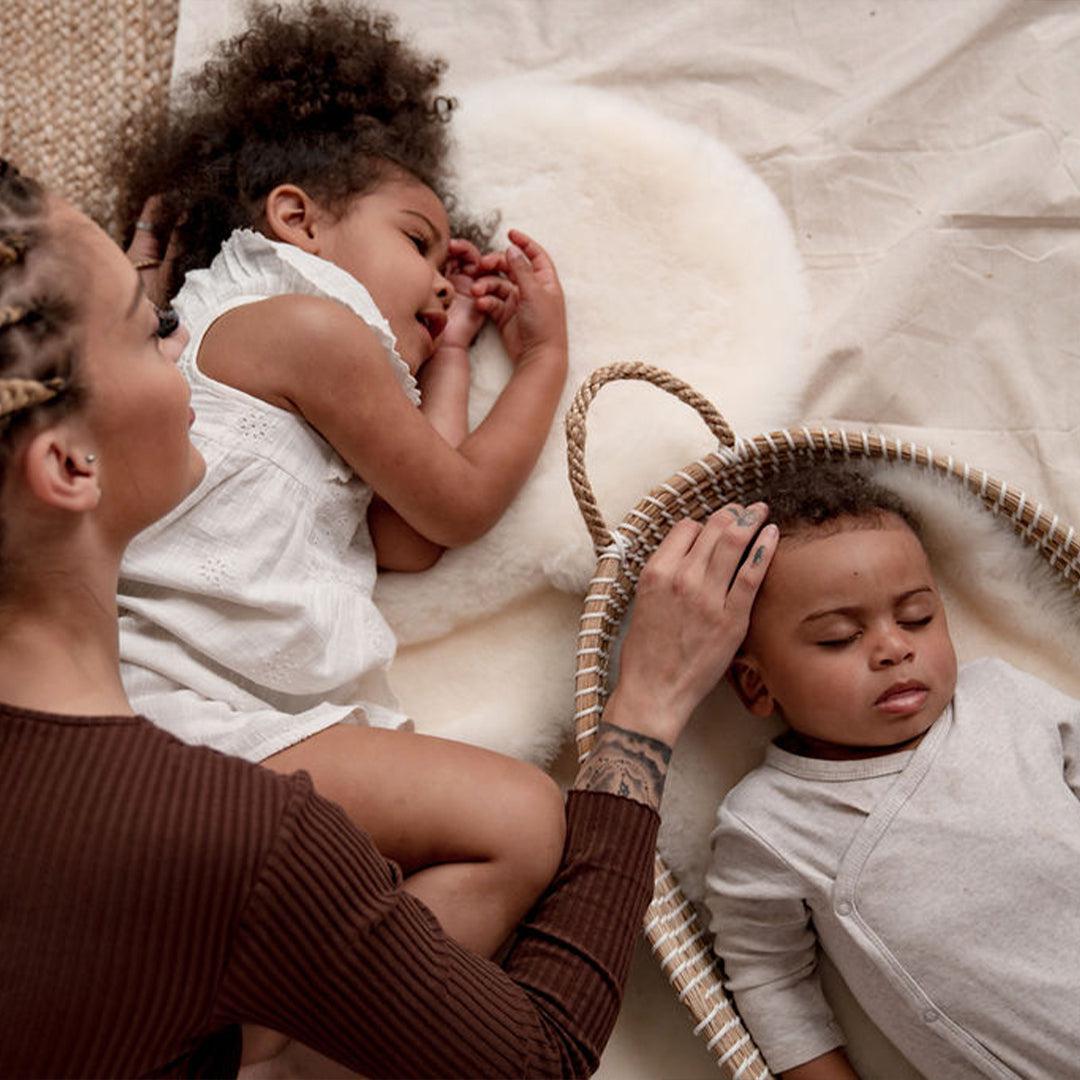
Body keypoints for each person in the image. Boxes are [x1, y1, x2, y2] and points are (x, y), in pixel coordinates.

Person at [0, 159, 778, 1076]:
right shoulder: (245, 842)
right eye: (154, 334)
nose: (188, 351)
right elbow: (539, 1061)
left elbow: (406, 531)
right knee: (526, 818)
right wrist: (645, 709)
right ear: (68, 469)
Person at [111, 0, 572, 969]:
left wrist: (445, 358)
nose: (444, 285)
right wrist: (538, 367)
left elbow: (409, 537)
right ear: (296, 220)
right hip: (197, 721)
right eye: (419, 244)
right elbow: (453, 499)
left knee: (498, 832)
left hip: (224, 735)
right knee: (524, 825)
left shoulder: (270, 354)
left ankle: (267, 1042)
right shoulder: (302, 329)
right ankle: (298, 1057)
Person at [703, 467, 1080, 1080]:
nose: (892, 648)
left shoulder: (1003, 700)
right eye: (839, 637)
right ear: (756, 683)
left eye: (917, 617)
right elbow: (770, 978)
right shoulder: (771, 822)